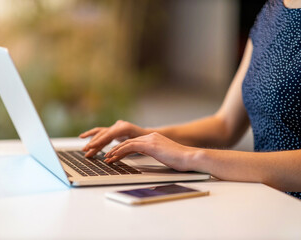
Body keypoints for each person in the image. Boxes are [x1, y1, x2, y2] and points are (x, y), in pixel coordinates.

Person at [79, 0, 301, 199]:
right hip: (267, 198)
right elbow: (225, 125)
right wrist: (146, 136)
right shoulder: (272, 10)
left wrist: (192, 157)